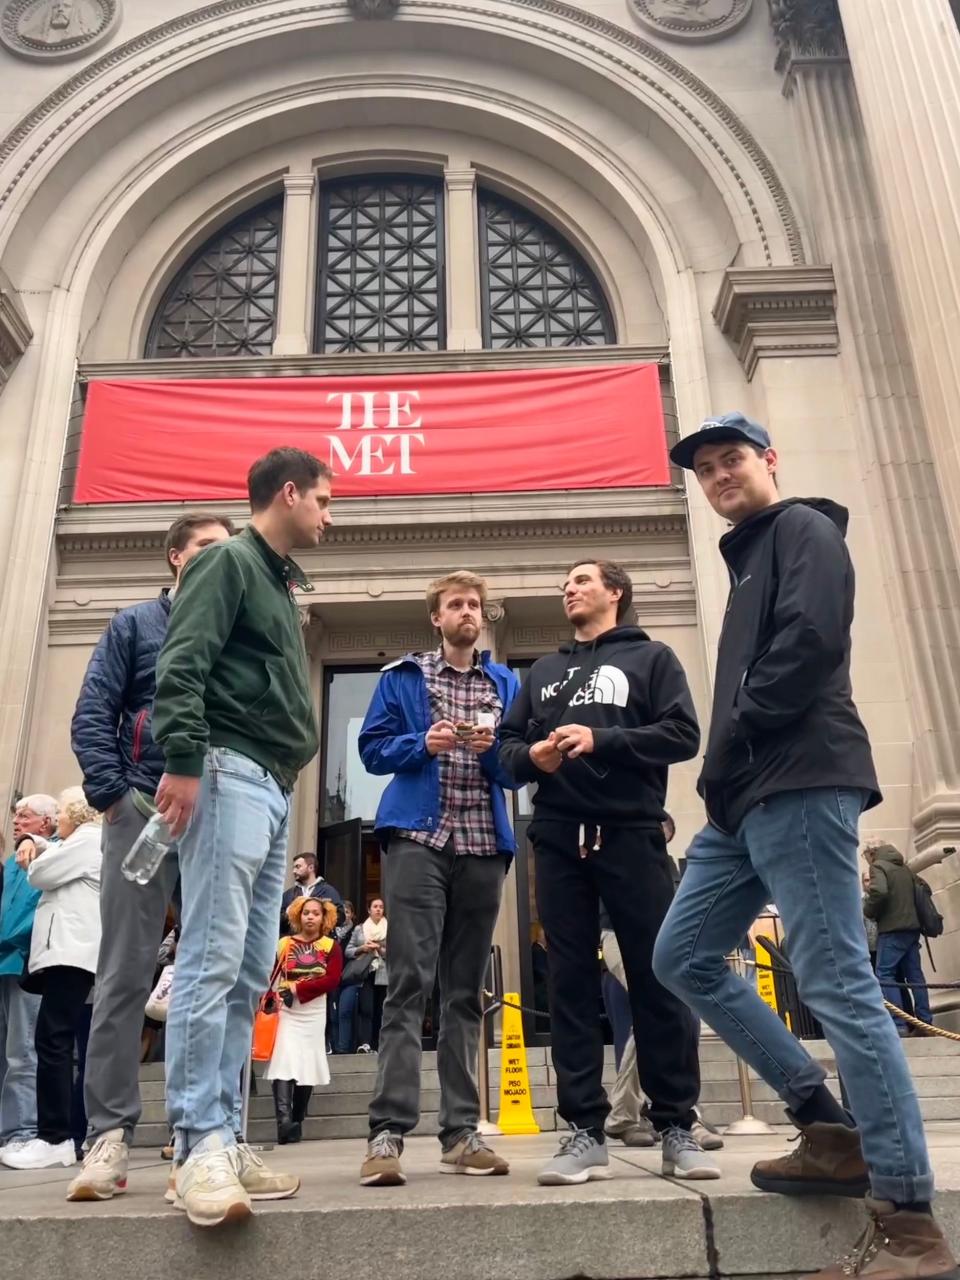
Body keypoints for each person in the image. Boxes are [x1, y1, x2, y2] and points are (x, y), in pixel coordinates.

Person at [653, 412, 955, 1280]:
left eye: (732, 460)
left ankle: (908, 1221)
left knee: (837, 983)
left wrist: (737, 732)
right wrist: (722, 773)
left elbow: (813, 643)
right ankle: (825, 1124)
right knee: (684, 956)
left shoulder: (804, 528)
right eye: (705, 469)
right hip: (743, 798)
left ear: (769, 461)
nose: (718, 477)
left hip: (801, 773)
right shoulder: (747, 554)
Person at [152, 447, 331, 1228]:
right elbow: (182, 664)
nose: (330, 513)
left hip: (267, 782)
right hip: (223, 769)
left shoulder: (279, 581)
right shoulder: (227, 563)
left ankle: (223, 1131)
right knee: (212, 958)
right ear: (288, 494)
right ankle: (196, 1146)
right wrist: (185, 761)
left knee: (247, 966)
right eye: (324, 499)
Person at [500, 559, 716, 1186]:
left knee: (657, 977)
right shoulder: (542, 671)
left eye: (581, 581)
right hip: (559, 841)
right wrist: (534, 756)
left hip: (631, 834)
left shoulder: (653, 660)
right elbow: (509, 753)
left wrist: (603, 741)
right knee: (568, 982)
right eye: (563, 583)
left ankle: (675, 1122)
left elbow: (682, 734)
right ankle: (583, 1131)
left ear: (615, 592)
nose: (568, 589)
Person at [66, 512, 234, 1202]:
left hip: (223, 817)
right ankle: (107, 1136)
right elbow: (93, 712)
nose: (219, 560)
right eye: (205, 548)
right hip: (142, 808)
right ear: (174, 557)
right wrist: (113, 795)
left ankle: (206, 1138)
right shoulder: (134, 625)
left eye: (228, 551)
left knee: (215, 975)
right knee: (123, 976)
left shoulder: (240, 634)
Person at [356, 570, 519, 1186]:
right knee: (407, 983)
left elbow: (517, 767)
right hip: (419, 840)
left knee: (463, 993)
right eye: (456, 604)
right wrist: (422, 742)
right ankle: (387, 1134)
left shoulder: (506, 682)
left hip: (482, 846)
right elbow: (373, 751)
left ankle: (461, 1133)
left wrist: (494, 753)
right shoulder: (403, 677)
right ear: (437, 617)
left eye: (476, 603)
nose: (468, 612)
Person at [600, 815, 723, 1154]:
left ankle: (640, 1112)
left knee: (669, 1015)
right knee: (657, 1011)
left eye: (664, 829)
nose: (659, 833)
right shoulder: (610, 853)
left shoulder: (668, 866)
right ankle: (662, 1112)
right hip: (616, 938)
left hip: (661, 944)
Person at [3, 788, 101, 1170]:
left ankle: (54, 1137)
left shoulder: (86, 841)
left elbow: (41, 873)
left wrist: (36, 847)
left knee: (53, 1040)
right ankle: (54, 1134)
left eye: (60, 813)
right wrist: (34, 840)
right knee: (52, 1038)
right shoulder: (79, 842)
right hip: (68, 952)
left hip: (71, 952)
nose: (57, 820)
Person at [0, 796, 55, 1164]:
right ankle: (12, 1131)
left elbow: (32, 916)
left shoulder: (51, 854)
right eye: (16, 815)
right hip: (6, 964)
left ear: (47, 824)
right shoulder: (11, 862)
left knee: (24, 1052)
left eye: (26, 816)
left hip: (27, 963)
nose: (17, 821)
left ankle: (24, 1130)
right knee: (10, 1054)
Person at [266, 896, 342, 1144]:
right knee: (283, 1060)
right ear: (298, 916)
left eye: (315, 913)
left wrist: (299, 989)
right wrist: (269, 997)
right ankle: (283, 1123)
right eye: (306, 912)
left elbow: (332, 980)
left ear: (324, 918)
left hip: (314, 1011)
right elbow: (273, 974)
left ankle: (297, 1119)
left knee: (308, 1064)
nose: (310, 917)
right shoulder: (284, 943)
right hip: (286, 1009)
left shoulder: (331, 946)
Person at [863, 843, 932, 1035]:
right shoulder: (904, 868)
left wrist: (868, 910)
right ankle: (925, 1022)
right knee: (916, 977)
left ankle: (898, 1024)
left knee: (884, 974)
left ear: (871, 853)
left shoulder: (878, 866)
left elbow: (879, 892)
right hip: (912, 928)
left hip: (892, 929)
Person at [342, 898, 388, 1056]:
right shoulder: (359, 929)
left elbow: (396, 953)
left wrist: (380, 949)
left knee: (380, 1011)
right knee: (366, 1009)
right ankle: (365, 1043)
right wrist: (363, 947)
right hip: (365, 973)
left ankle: (378, 1044)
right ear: (369, 910)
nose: (378, 910)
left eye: (381, 907)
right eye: (375, 907)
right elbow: (348, 951)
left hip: (383, 974)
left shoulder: (389, 929)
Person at [279, 853, 343, 936]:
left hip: (320, 944)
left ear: (311, 867)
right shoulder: (288, 894)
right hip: (294, 945)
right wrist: (287, 914)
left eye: (298, 867)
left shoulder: (328, 891)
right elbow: (276, 922)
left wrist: (322, 913)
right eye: (294, 867)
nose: (294, 871)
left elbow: (341, 917)